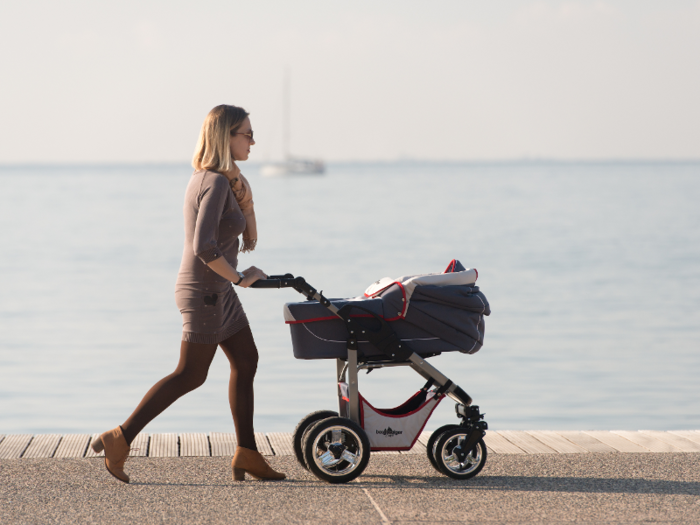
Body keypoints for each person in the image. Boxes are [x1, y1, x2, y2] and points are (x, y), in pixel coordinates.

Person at [92, 105, 285, 483]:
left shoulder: (222, 180)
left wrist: (232, 281)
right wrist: (241, 278)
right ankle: (121, 437)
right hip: (206, 292)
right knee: (190, 374)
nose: (252, 140)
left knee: (246, 360)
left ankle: (246, 452)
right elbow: (204, 246)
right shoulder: (212, 181)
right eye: (246, 133)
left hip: (217, 291)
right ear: (226, 137)